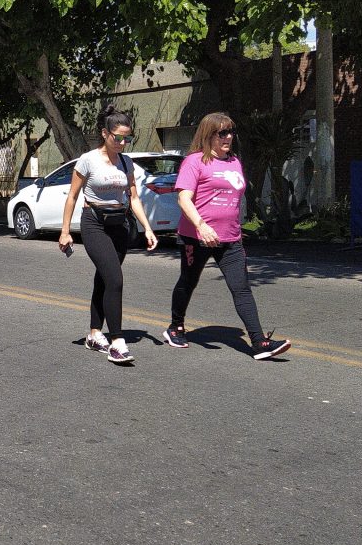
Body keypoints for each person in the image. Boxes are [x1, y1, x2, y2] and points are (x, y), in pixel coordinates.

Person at [164, 113, 291, 360]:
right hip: (196, 236)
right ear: (208, 135)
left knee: (241, 288)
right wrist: (201, 226)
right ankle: (175, 326)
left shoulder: (234, 162)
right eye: (222, 133)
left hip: (230, 238)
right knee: (188, 282)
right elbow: (183, 198)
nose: (229, 137)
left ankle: (259, 343)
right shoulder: (195, 162)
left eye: (231, 132)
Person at [58, 105, 158, 364]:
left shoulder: (126, 161)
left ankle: (94, 334)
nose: (123, 142)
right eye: (118, 137)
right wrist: (65, 231)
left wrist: (147, 227)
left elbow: (133, 197)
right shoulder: (88, 160)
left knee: (104, 279)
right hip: (94, 224)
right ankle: (117, 341)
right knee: (115, 279)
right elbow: (72, 196)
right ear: (105, 133)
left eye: (128, 138)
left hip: (120, 225)